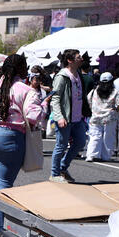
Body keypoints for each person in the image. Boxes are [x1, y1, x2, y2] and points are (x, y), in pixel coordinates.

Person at [0, 54, 45, 237]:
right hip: (9, 136)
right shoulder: (26, 90)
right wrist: (43, 106)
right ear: (22, 69)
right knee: (4, 182)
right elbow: (33, 117)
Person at [49, 49, 90, 183]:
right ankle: (54, 174)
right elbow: (54, 98)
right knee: (61, 145)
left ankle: (62, 168)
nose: (81, 59)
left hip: (77, 118)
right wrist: (59, 116)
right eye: (78, 57)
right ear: (70, 60)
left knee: (80, 142)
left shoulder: (77, 74)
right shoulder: (62, 76)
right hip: (65, 118)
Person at [85, 72, 119, 162]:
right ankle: (106, 156)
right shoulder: (115, 91)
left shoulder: (94, 90)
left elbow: (88, 100)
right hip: (109, 118)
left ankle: (91, 155)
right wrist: (115, 110)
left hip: (95, 117)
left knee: (94, 136)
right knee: (108, 137)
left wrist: (93, 109)